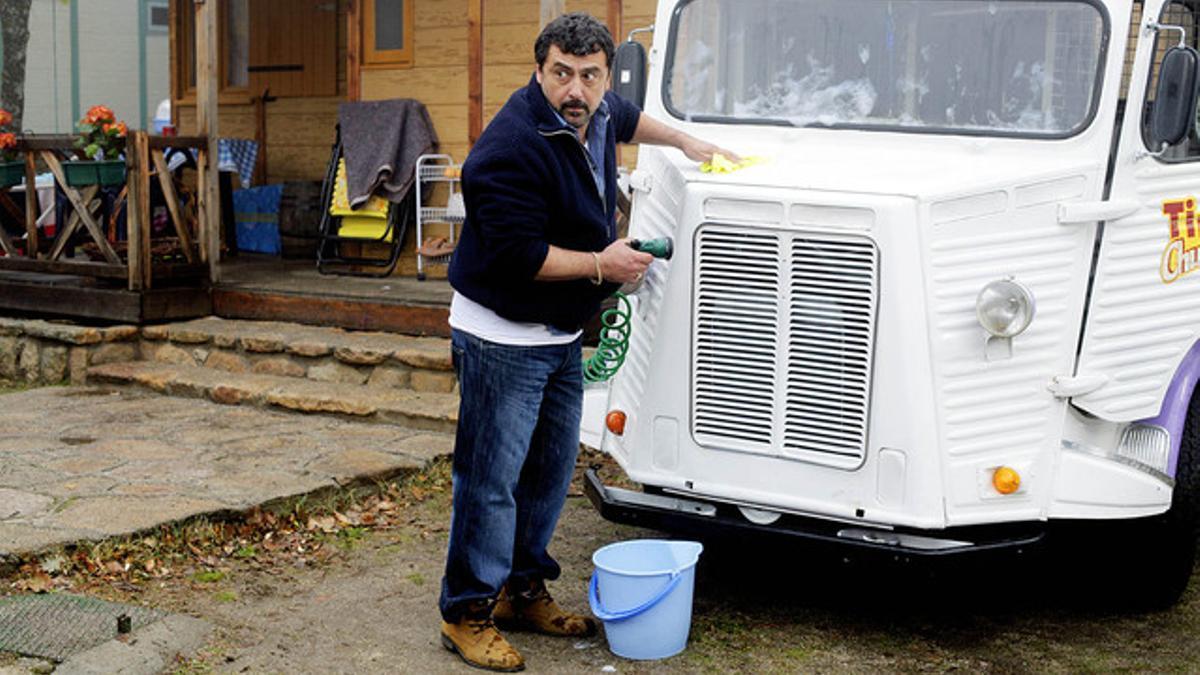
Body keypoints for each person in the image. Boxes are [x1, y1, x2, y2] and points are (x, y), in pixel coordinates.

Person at [440, 12, 736, 672]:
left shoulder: (596, 111)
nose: (575, 90)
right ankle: (465, 611)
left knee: (547, 474)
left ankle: (523, 590)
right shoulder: (506, 150)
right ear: (538, 70)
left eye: (589, 76)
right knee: (490, 481)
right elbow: (520, 256)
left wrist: (687, 141)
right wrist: (605, 265)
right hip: (500, 333)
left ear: (604, 74)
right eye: (560, 75)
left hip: (560, 331)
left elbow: (628, 117)